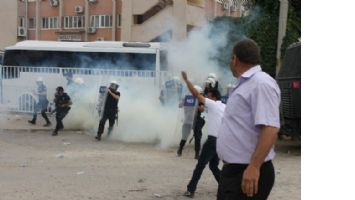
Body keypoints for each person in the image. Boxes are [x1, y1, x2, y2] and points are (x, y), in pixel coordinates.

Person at [216, 39, 281, 200]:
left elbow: (271, 128)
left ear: (235, 59)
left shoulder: (260, 83)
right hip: (235, 171)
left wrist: (254, 167)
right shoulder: (246, 83)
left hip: (247, 171)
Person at [181, 71, 225, 198]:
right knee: (213, 166)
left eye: (209, 96)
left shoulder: (213, 104)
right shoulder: (224, 107)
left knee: (200, 165)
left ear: (214, 97)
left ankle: (191, 189)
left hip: (212, 141)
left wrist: (186, 80)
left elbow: (195, 94)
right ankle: (224, 186)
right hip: (221, 141)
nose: (206, 98)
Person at [176, 85, 205, 159]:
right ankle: (180, 149)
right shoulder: (187, 98)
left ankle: (197, 154)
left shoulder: (199, 100)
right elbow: (180, 105)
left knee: (197, 137)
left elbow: (202, 109)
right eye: (199, 93)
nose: (201, 95)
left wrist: (198, 105)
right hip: (188, 119)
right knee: (184, 136)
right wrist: (184, 102)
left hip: (196, 119)